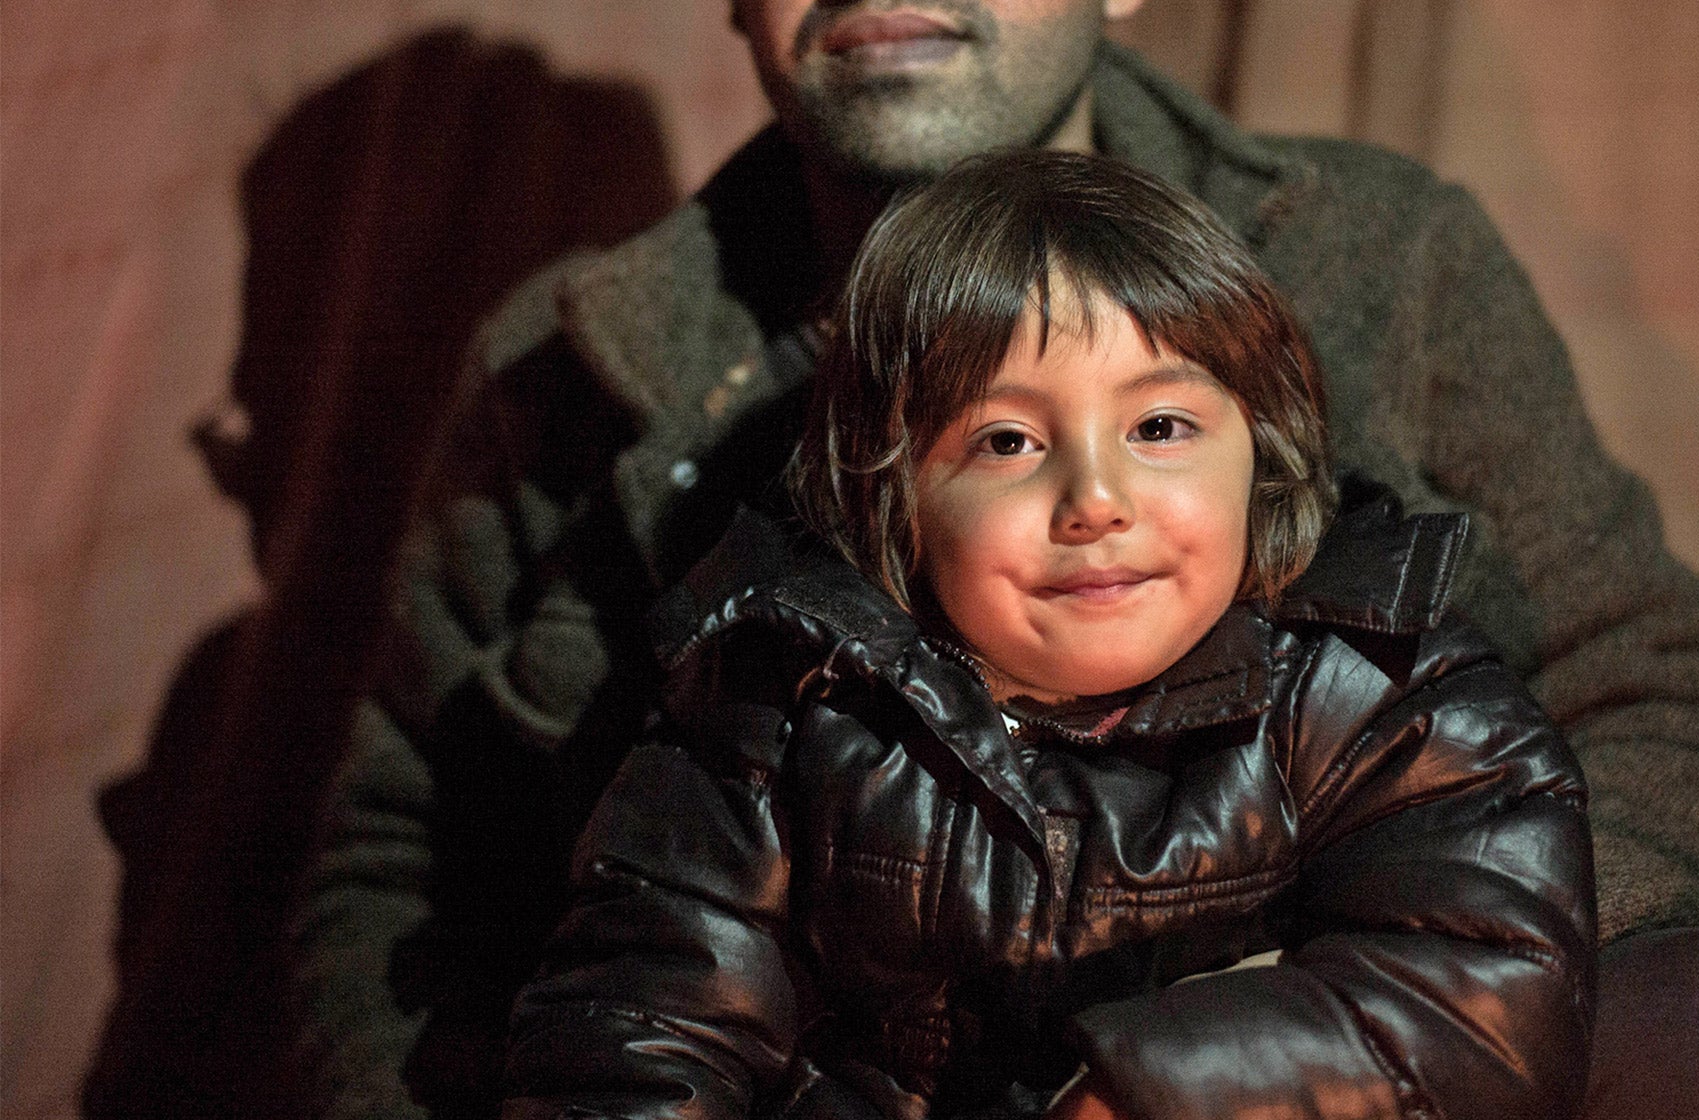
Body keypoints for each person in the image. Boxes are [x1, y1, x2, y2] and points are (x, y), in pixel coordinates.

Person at [293, 0, 1699, 1120]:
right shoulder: (581, 373)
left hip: (1381, 1048)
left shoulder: (1379, 256)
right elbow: (395, 878)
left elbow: (1694, 718)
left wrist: (1325, 1023)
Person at [503, 150, 1598, 1120]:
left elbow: (1485, 987)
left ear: (1261, 449)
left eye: (1158, 427)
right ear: (893, 500)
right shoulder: (784, 708)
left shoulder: (1373, 688)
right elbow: (642, 1022)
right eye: (1008, 441)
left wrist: (1151, 1093)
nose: (1095, 499)